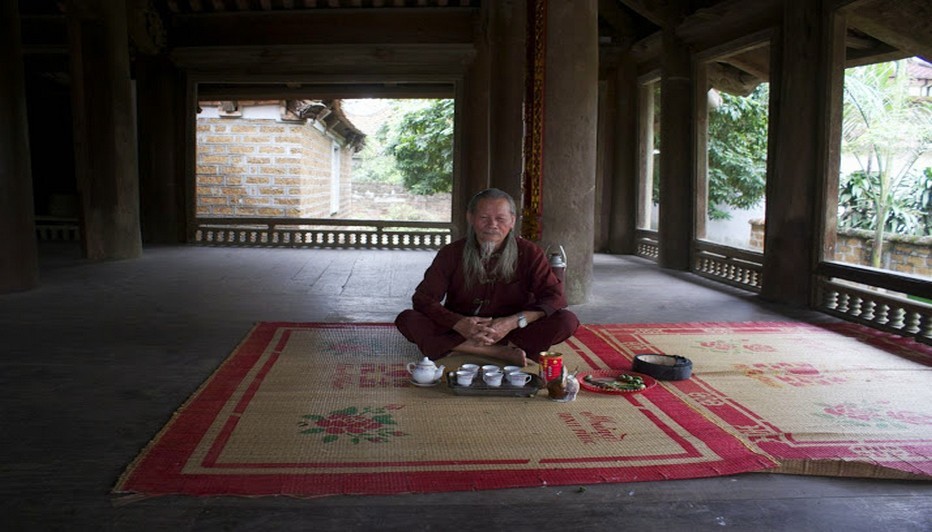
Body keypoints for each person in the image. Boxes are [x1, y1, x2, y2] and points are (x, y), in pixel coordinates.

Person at [395, 188, 579, 367]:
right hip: (461, 328)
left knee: (566, 321)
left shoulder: (530, 253)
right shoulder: (451, 253)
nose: (492, 225)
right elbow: (423, 299)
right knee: (408, 319)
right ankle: (500, 352)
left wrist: (512, 322)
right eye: (484, 218)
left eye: (500, 219)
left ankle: (461, 349)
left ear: (512, 221)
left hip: (513, 329)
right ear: (471, 218)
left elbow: (554, 297)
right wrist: (459, 323)